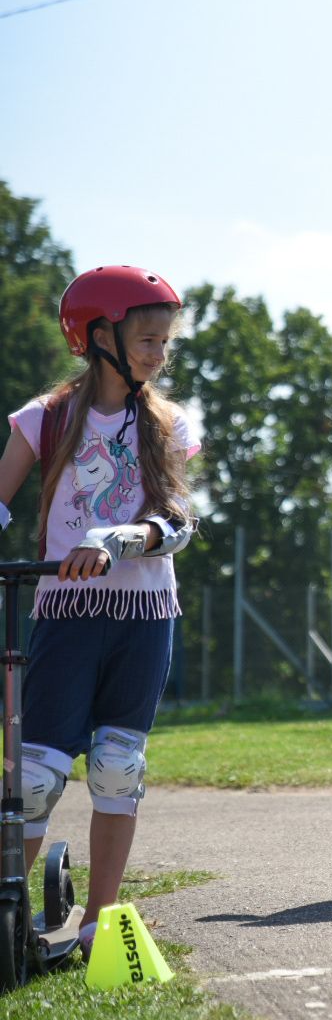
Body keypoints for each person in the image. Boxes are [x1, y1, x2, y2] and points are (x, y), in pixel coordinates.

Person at [0, 266, 199, 957]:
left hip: (147, 614)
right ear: (96, 337)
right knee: (36, 772)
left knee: (119, 765)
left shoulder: (166, 423)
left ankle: (101, 925)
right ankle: (4, 909)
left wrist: (126, 536)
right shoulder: (45, 418)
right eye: (146, 338)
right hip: (66, 611)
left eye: (163, 341)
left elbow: (180, 518)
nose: (158, 353)